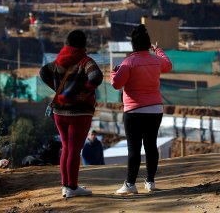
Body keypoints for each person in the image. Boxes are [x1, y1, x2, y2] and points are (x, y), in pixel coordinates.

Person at [40, 30, 103, 198]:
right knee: (75, 151)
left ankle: (66, 186)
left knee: (67, 148)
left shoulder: (58, 62)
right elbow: (96, 76)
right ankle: (72, 187)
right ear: (83, 45)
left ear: (67, 43)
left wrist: (60, 91)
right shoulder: (85, 61)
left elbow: (43, 72)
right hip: (80, 113)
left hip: (60, 112)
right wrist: (85, 92)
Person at [110, 24, 172, 195]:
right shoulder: (156, 60)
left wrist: (112, 74)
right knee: (151, 146)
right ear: (148, 44)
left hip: (134, 111)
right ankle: (150, 182)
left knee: (134, 148)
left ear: (133, 45)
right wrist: (158, 49)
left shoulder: (128, 62)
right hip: (155, 110)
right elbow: (168, 64)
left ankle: (130, 184)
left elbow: (116, 84)